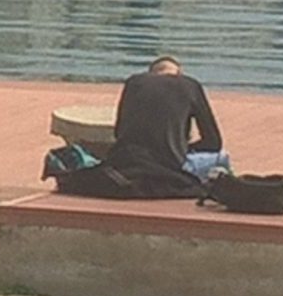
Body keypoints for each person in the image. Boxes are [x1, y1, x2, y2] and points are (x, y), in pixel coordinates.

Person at [61, 57, 223, 199]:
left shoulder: (134, 82)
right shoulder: (190, 85)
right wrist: (183, 147)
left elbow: (119, 132)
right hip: (168, 166)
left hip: (125, 160)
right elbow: (213, 142)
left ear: (151, 72)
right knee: (221, 159)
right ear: (179, 73)